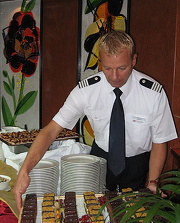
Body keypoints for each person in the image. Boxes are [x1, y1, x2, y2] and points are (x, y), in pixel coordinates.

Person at [13, 31, 177, 210]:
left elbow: (160, 141)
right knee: (95, 213)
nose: (114, 76)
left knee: (131, 218)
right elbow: (50, 131)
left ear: (134, 60)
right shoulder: (86, 90)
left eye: (122, 68)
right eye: (107, 68)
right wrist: (25, 170)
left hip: (138, 164)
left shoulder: (153, 93)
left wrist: (153, 181)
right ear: (100, 62)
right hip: (100, 160)